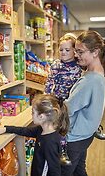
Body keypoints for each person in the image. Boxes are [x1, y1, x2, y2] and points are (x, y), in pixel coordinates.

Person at [62, 30, 105, 176]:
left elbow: (68, 109)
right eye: (75, 51)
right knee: (79, 171)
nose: (75, 55)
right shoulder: (100, 73)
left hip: (74, 139)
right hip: (85, 135)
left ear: (95, 52)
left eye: (80, 51)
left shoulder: (89, 81)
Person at [0, 94, 69, 176]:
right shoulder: (42, 130)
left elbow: (55, 170)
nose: (31, 115)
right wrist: (6, 129)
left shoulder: (49, 142)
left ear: (41, 116)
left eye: (33, 112)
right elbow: (25, 130)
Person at [44, 33, 82, 165]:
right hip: (58, 102)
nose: (63, 53)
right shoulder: (56, 65)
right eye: (61, 50)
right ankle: (62, 152)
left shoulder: (79, 66)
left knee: (70, 127)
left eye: (67, 50)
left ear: (74, 51)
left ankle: (68, 149)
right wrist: (47, 99)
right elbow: (49, 83)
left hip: (73, 103)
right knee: (60, 127)